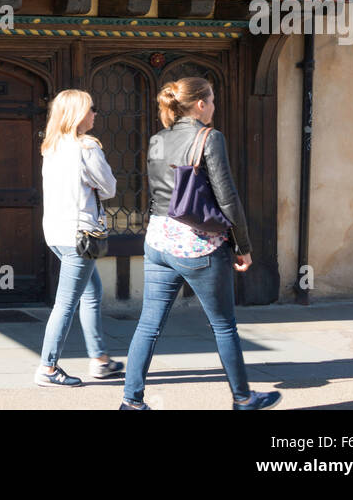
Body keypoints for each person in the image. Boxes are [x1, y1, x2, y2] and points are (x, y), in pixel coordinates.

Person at [120, 77, 282, 411]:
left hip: (160, 238)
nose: (214, 106)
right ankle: (243, 398)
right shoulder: (210, 137)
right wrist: (243, 245)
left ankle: (131, 402)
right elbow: (227, 197)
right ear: (200, 104)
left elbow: (156, 192)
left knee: (148, 325)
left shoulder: (157, 140)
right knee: (223, 325)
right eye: (212, 100)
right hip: (198, 243)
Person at [35, 89, 123, 386]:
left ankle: (99, 359)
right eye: (91, 108)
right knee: (65, 303)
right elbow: (109, 188)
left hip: (57, 234)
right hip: (80, 236)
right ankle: (47, 367)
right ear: (77, 114)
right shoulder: (86, 148)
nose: (95, 113)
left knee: (91, 291)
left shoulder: (53, 146)